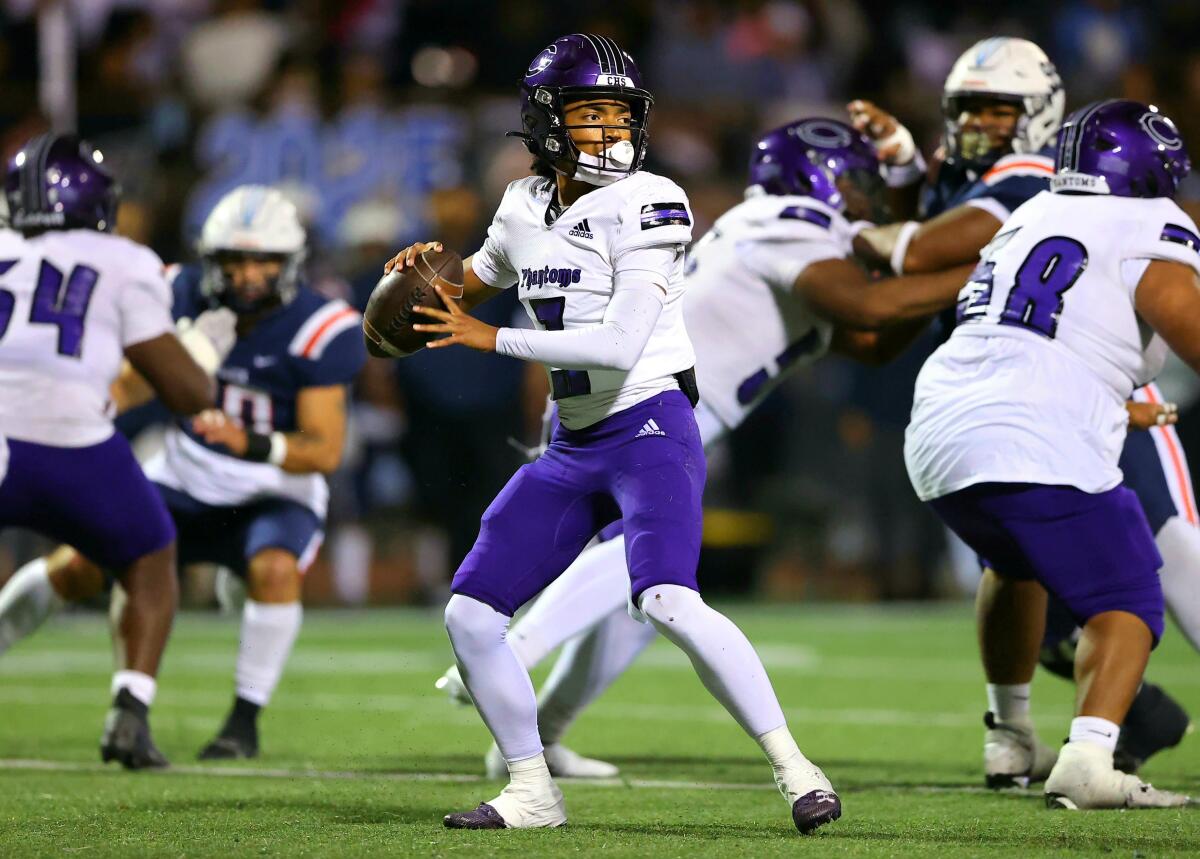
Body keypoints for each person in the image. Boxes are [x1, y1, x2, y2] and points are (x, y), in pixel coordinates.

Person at [384, 34, 843, 834]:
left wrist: (486, 338)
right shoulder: (523, 204)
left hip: (649, 427)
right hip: (572, 442)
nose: (610, 130)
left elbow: (617, 345)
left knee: (666, 598)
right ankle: (531, 786)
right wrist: (421, 276)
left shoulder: (650, 200)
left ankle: (796, 769)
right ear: (545, 120)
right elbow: (474, 284)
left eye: (618, 113)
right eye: (589, 113)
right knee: (467, 615)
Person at [434, 117, 976, 780]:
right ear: (821, 177)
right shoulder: (787, 220)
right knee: (648, 567)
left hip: (670, 405)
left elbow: (872, 340)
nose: (865, 200)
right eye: (858, 182)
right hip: (641, 402)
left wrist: (934, 273)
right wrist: (979, 266)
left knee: (638, 609)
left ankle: (540, 732)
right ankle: (515, 646)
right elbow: (869, 309)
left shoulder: (795, 235)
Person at [849, 36, 1194, 785]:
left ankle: (1009, 735)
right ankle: (1090, 761)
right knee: (1130, 594)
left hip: (941, 424)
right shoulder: (1151, 221)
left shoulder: (1028, 210)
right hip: (1036, 426)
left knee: (1011, 567)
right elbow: (1178, 316)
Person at [0, 185, 366, 760]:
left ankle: (242, 723)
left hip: (273, 492)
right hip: (184, 475)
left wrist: (249, 443)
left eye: (263, 261)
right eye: (233, 261)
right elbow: (126, 385)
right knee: (77, 568)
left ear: (291, 264)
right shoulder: (174, 290)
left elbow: (323, 451)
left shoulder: (322, 326)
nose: (248, 275)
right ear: (207, 260)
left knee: (273, 570)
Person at [0, 133, 222, 768]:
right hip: (68, 440)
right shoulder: (123, 260)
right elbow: (186, 391)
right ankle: (129, 709)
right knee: (149, 552)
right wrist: (199, 354)